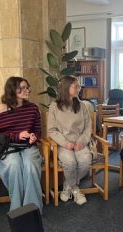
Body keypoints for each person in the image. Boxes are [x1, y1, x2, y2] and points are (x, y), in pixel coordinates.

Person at [0, 76, 43, 212]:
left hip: (28, 145)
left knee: (30, 165)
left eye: (27, 87)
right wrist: (17, 135)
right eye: (23, 88)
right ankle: (16, 207)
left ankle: (32, 208)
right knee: (14, 165)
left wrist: (34, 136)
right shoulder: (2, 108)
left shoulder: (33, 108)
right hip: (9, 146)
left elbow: (38, 131)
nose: (27, 90)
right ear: (13, 90)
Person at [48, 75, 91, 205]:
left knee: (85, 161)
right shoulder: (54, 106)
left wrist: (81, 142)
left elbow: (88, 127)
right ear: (66, 88)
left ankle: (69, 186)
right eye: (76, 86)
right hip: (63, 143)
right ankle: (76, 189)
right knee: (70, 162)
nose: (79, 88)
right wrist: (65, 143)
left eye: (78, 86)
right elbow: (52, 130)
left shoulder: (82, 106)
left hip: (79, 142)